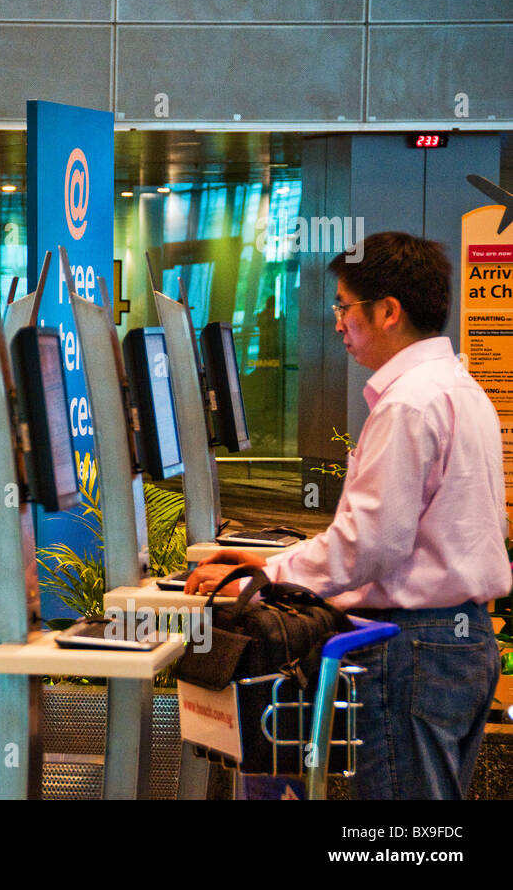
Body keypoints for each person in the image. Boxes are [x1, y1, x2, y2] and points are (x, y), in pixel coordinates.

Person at [187, 231, 511, 799]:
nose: (337, 322)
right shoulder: (459, 389)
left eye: (344, 306)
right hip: (461, 639)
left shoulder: (410, 403)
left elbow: (370, 545)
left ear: (388, 311)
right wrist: (271, 562)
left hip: (411, 648)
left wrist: (272, 578)